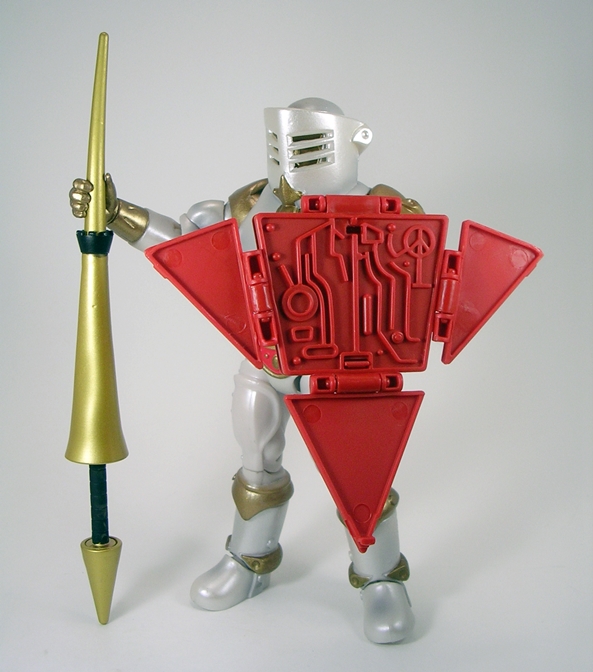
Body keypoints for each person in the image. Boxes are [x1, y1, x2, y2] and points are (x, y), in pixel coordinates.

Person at [70, 98, 423, 643]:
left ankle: (381, 579)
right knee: (257, 464)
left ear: (352, 139)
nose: (293, 151)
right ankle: (249, 560)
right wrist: (117, 214)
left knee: (363, 479)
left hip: (347, 374)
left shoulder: (385, 206)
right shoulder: (251, 202)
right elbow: (187, 245)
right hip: (266, 362)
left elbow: (418, 278)